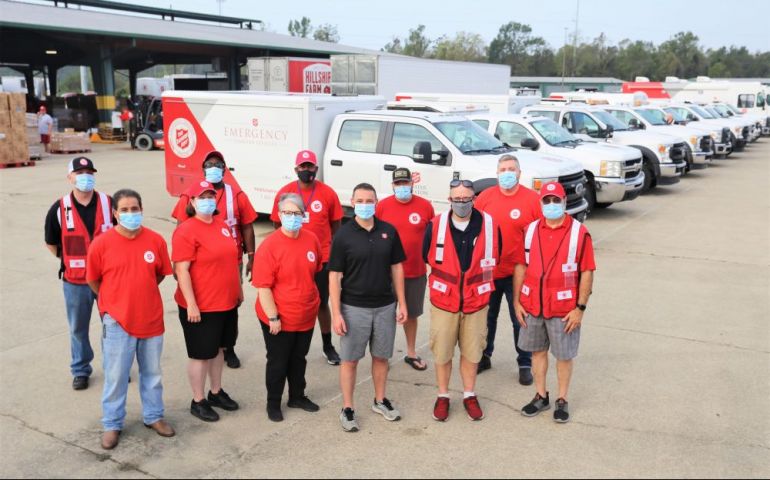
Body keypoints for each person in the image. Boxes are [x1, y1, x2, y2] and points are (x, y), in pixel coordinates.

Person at [86, 189, 175, 450]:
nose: (130, 214)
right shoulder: (101, 244)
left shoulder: (156, 241)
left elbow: (160, 274)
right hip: (117, 321)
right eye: (124, 210)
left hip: (150, 319)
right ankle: (112, 423)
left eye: (134, 209)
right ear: (114, 213)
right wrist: (112, 301)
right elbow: (93, 280)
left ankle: (154, 416)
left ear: (142, 209)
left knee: (152, 373)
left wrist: (141, 290)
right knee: (116, 375)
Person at [514, 182, 596, 424]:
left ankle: (562, 399)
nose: (551, 205)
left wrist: (580, 308)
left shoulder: (579, 233)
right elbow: (521, 266)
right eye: (546, 201)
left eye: (555, 200)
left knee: (563, 356)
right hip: (533, 307)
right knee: (537, 353)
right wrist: (517, 301)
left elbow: (588, 271)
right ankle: (541, 395)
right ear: (540, 204)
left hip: (563, 310)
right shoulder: (529, 230)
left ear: (564, 202)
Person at [329, 183, 408, 432]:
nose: (365, 204)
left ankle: (380, 400)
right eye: (360, 200)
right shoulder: (343, 234)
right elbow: (334, 276)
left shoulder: (388, 231)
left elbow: (397, 268)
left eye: (369, 200)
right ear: (352, 202)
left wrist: (401, 302)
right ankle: (348, 407)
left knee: (381, 356)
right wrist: (336, 313)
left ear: (376, 201)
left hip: (385, 306)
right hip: (354, 308)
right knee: (350, 360)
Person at [422, 179, 501, 422]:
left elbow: (495, 257)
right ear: (450, 201)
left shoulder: (489, 225)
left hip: (476, 303)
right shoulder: (435, 225)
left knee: (472, 352)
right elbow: (427, 255)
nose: (462, 203)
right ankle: (443, 396)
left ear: (474, 199)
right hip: (444, 303)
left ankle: (469, 394)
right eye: (457, 199)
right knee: (442, 353)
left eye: (466, 199)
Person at [171, 151, 257, 369]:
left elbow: (247, 225)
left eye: (218, 164)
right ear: (203, 168)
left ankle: (228, 347)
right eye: (209, 164)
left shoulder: (236, 194)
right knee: (204, 301)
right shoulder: (190, 194)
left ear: (224, 168)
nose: (213, 168)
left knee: (231, 304)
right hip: (201, 260)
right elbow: (180, 226)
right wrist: (178, 265)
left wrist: (251, 256)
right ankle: (209, 345)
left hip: (231, 259)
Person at [172, 181, 243, 423]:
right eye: (201, 196)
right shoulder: (186, 230)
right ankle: (198, 399)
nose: (208, 200)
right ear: (191, 202)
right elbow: (182, 270)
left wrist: (238, 289)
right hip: (201, 306)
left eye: (211, 196)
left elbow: (231, 261)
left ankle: (216, 392)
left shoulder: (221, 225)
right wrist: (191, 303)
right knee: (201, 354)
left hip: (225, 302)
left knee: (220, 350)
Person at [44, 157, 113, 390]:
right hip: (75, 281)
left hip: (107, 279)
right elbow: (52, 243)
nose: (85, 176)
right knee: (77, 328)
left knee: (113, 326)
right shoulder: (59, 208)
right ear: (70, 177)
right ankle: (81, 370)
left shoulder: (108, 203)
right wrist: (69, 261)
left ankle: (116, 367)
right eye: (80, 172)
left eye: (89, 172)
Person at [270, 150, 343, 366]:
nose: (306, 170)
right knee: (290, 298)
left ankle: (328, 345)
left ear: (316, 169)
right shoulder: (285, 192)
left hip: (322, 257)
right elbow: (276, 222)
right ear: (296, 169)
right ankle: (289, 342)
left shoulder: (328, 193)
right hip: (292, 257)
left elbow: (336, 224)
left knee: (321, 302)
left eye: (310, 166)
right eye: (302, 167)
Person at [254, 193, 323, 422]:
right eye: (287, 213)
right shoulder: (270, 246)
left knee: (299, 358)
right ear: (279, 214)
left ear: (304, 216)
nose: (291, 217)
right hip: (279, 317)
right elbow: (263, 287)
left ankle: (297, 396)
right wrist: (273, 317)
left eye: (296, 213)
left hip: (305, 314)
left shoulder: (311, 239)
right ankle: (273, 403)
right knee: (278, 361)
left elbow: (314, 270)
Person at [474, 155, 540, 384]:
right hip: (488, 271)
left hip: (520, 273)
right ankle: (484, 355)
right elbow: (473, 229)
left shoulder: (533, 200)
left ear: (520, 173)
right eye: (503, 169)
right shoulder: (484, 198)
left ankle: (524, 362)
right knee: (486, 317)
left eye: (511, 169)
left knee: (519, 319)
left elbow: (540, 236)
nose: (507, 173)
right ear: (497, 173)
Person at [375, 168, 434, 371]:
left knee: (411, 314)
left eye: (405, 183)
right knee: (384, 315)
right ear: (393, 186)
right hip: (385, 272)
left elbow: (432, 239)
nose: (402, 187)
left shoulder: (425, 206)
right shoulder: (382, 207)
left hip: (415, 271)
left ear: (412, 184)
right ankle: (382, 355)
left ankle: (411, 352)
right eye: (398, 184)